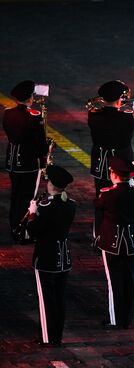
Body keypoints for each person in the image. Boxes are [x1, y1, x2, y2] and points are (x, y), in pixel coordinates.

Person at [88, 80, 134, 238]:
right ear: (119, 99)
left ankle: (99, 235)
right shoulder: (126, 117)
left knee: (101, 197)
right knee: (121, 198)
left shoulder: (93, 114)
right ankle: (118, 233)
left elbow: (108, 113)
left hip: (101, 163)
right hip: (121, 163)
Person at [26, 165, 75, 346]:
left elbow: (33, 231)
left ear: (50, 185)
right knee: (59, 298)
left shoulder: (45, 207)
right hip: (63, 256)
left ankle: (47, 337)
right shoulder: (70, 205)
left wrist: (32, 213)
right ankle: (57, 336)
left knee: (46, 299)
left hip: (46, 257)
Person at [95, 157, 134, 329]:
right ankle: (126, 318)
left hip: (112, 241)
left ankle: (115, 318)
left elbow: (98, 205)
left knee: (114, 280)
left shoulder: (108, 193)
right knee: (130, 279)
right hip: (131, 241)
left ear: (113, 174)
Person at [3, 80, 49, 242]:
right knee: (28, 196)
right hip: (28, 162)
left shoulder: (8, 113)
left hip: (11, 160)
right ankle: (22, 230)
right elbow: (40, 144)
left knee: (16, 194)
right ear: (29, 98)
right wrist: (45, 152)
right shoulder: (34, 117)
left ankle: (13, 225)